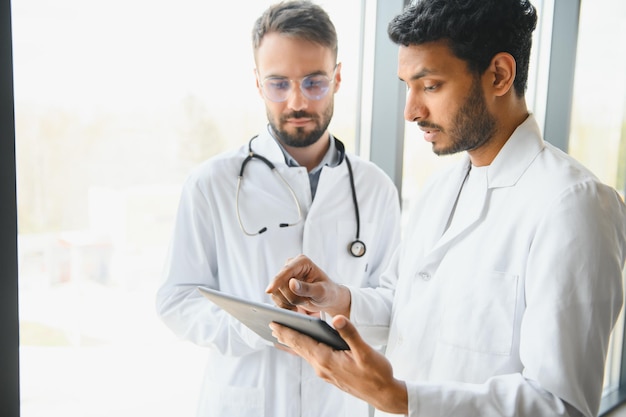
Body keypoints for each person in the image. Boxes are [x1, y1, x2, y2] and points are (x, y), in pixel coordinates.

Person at [266, 0, 626, 416]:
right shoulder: (440, 189)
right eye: (407, 86)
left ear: (499, 75)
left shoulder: (574, 205)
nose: (411, 111)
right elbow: (405, 311)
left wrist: (400, 399)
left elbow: (560, 405)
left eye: (430, 85)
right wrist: (337, 300)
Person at [155, 1, 401, 416]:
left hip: (340, 403)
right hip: (245, 401)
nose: (297, 102)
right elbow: (176, 300)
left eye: (314, 82)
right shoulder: (212, 183)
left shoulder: (375, 188)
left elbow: (395, 306)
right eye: (278, 84)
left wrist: (341, 301)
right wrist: (263, 326)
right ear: (257, 83)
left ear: (338, 77)